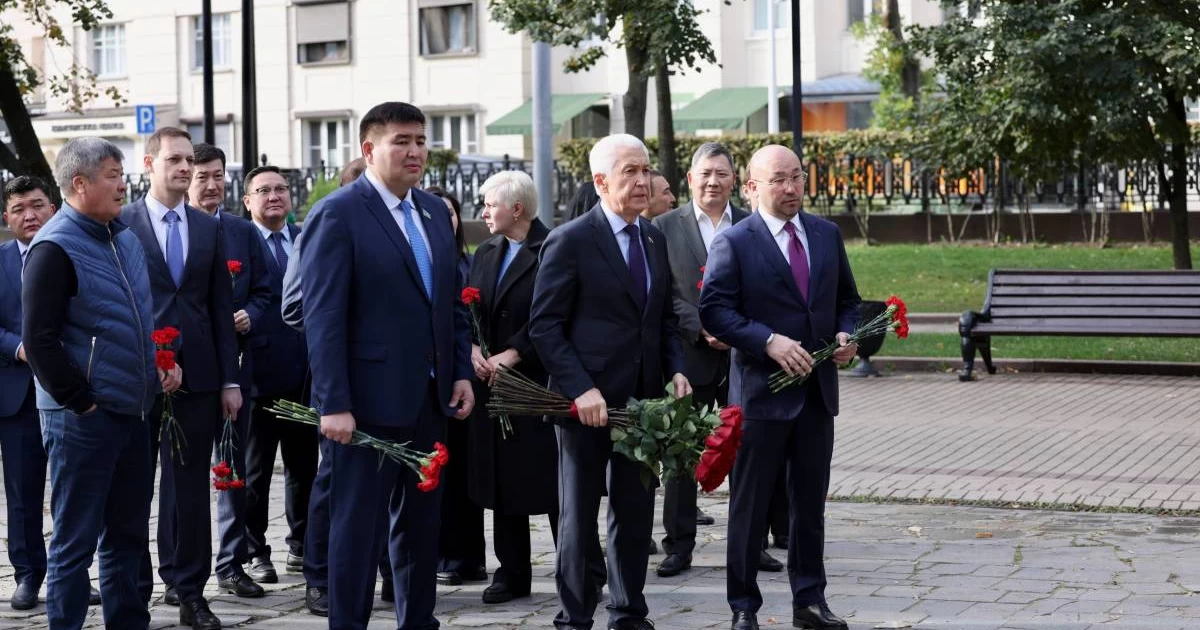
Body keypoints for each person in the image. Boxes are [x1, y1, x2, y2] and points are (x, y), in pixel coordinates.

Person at [301, 101, 474, 629]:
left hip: (429, 401)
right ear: (369, 148)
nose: (415, 151)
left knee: (422, 530)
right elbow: (323, 316)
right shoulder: (338, 213)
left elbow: (450, 306)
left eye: (420, 140)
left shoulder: (433, 213)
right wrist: (333, 403)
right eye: (402, 141)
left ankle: (418, 621)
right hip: (364, 408)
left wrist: (460, 371)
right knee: (358, 533)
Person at [530, 133, 690, 630]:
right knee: (579, 515)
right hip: (585, 406)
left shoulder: (653, 238)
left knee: (634, 510)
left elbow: (663, 319)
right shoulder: (572, 240)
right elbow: (545, 326)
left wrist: (676, 369)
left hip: (641, 405)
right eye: (630, 172)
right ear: (601, 181)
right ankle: (575, 616)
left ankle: (628, 611)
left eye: (646, 170)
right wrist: (580, 388)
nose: (643, 180)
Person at [699, 145, 861, 630]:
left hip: (816, 396)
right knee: (749, 508)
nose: (791, 188)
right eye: (778, 180)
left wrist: (846, 335)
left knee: (809, 507)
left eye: (797, 177)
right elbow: (715, 311)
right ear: (752, 187)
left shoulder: (826, 234)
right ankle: (743, 606)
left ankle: (810, 601)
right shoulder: (735, 241)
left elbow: (848, 300)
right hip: (760, 397)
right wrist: (767, 341)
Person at [23, 137, 180, 628]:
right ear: (80, 183)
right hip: (82, 420)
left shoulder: (124, 239)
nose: (122, 185)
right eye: (112, 175)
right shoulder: (54, 247)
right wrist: (82, 403)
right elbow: (39, 341)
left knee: (127, 537)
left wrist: (158, 363)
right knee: (75, 540)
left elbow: (133, 320)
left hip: (134, 411)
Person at [123, 127, 241, 630]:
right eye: (174, 159)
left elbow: (219, 308)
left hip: (199, 376)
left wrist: (230, 380)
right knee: (132, 489)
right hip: (136, 376)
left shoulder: (208, 227)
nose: (185, 168)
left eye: (189, 160)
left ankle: (191, 592)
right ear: (150, 164)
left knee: (191, 491)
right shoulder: (121, 223)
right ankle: (134, 591)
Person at [650, 143, 753, 579]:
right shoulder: (662, 227)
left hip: (745, 357)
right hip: (688, 357)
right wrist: (703, 326)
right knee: (682, 453)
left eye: (722, 174)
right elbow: (662, 293)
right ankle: (679, 545)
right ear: (690, 179)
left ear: (735, 180)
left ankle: (750, 544)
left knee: (749, 450)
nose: (713, 182)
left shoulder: (751, 225)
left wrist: (739, 329)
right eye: (705, 174)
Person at [464, 171, 558, 604]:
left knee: (550, 481)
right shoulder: (486, 250)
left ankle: (580, 567)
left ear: (517, 209)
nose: (483, 213)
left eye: (490, 205)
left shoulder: (551, 248)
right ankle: (512, 571)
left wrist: (514, 353)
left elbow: (553, 314)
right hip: (492, 383)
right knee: (502, 478)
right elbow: (468, 307)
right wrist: (472, 349)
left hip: (538, 383)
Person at [187, 143, 273, 600]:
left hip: (235, 368)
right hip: (184, 369)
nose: (211, 184)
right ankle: (183, 569)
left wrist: (249, 315)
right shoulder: (175, 229)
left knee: (233, 468)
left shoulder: (242, 231)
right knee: (184, 475)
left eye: (218, 175)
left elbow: (266, 292)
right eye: (202, 176)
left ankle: (232, 563)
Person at [290, 157, 366, 616]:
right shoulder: (331, 221)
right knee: (333, 481)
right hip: (340, 383)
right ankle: (318, 576)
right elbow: (297, 306)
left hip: (393, 384)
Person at [240, 165, 318, 588]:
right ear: (247, 200)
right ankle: (254, 551)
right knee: (254, 472)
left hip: (305, 374)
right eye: (263, 190)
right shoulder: (238, 241)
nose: (274, 196)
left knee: (304, 467)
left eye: (281, 189)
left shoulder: (307, 237)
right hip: (256, 376)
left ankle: (301, 544)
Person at [422, 185, 488, 589]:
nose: (445, 219)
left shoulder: (472, 261)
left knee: (466, 472)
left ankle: (469, 556)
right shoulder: (425, 261)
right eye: (437, 212)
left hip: (468, 377)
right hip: (435, 377)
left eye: (451, 212)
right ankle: (440, 554)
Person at [0, 176, 53, 610]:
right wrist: (18, 347)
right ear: (7, 217)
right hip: (16, 393)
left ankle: (73, 572)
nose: (29, 215)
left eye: (36, 205)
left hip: (71, 391)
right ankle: (28, 575)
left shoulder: (72, 253)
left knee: (75, 490)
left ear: (52, 208)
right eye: (19, 209)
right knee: (22, 493)